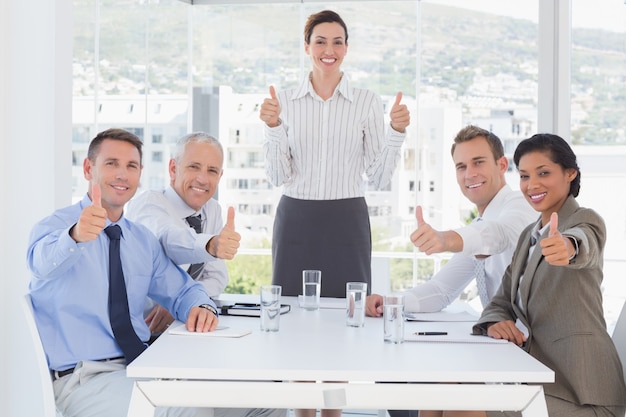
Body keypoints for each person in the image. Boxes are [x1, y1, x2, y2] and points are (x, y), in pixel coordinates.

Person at [27, 128, 284, 417]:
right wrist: (74, 236)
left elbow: (183, 289)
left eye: (131, 166)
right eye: (111, 164)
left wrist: (199, 306)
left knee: (266, 398)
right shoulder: (56, 227)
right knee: (188, 411)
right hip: (84, 379)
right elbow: (41, 263)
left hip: (144, 366)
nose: (122, 175)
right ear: (89, 168)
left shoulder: (140, 240)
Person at [425, 133, 626, 417]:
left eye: (543, 173)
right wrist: (496, 322)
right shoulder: (527, 237)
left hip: (581, 394)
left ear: (570, 173)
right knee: (441, 385)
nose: (532, 185)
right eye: (524, 176)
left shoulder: (584, 219)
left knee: (464, 403)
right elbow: (500, 301)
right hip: (535, 378)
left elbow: (585, 241)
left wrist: (567, 247)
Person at [259, 9, 411, 300]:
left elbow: (378, 178)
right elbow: (278, 176)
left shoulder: (367, 102)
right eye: (320, 42)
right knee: (291, 307)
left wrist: (396, 131)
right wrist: (273, 126)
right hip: (295, 219)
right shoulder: (284, 102)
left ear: (346, 48)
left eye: (337, 42)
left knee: (351, 308)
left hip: (347, 221)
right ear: (306, 47)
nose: (329, 50)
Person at [365, 125, 536, 317]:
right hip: (500, 338)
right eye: (461, 167)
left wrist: (446, 240)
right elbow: (441, 290)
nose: (469, 174)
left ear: (502, 165)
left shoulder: (520, 204)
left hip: (530, 342)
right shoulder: (477, 229)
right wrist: (389, 303)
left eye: (478, 162)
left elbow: (499, 235)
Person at [127, 132, 241, 335]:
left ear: (220, 176)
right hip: (144, 333)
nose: (203, 179)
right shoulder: (149, 204)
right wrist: (211, 245)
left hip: (185, 328)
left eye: (212, 170)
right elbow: (168, 241)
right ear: (173, 169)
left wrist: (185, 303)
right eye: (193, 167)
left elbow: (216, 277)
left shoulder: (212, 209)